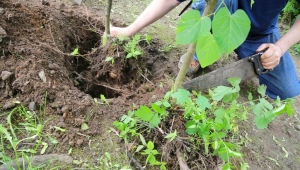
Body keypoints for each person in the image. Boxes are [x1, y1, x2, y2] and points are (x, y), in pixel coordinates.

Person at [111, 0, 300, 100]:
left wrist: (280, 48)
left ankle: (235, 46)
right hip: (217, 13)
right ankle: (200, 49)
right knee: (215, 3)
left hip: (260, 33)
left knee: (289, 90)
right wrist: (129, 30)